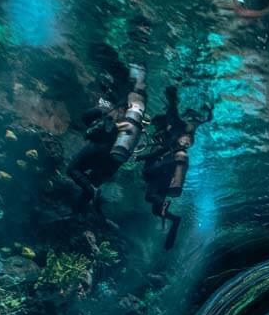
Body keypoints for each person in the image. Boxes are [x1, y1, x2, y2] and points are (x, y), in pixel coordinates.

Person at [139, 86, 213, 250]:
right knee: (156, 211)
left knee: (150, 195)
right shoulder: (185, 130)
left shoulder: (178, 129)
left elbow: (172, 116)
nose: (187, 142)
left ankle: (166, 209)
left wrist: (171, 97)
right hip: (168, 174)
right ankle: (175, 221)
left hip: (165, 171)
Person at [68, 65, 147, 210]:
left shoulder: (115, 106)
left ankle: (91, 193)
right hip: (115, 158)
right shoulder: (138, 117)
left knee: (72, 169)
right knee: (92, 184)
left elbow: (86, 117)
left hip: (99, 147)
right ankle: (78, 214)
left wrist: (99, 112)